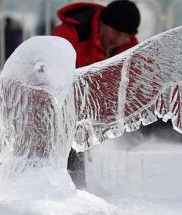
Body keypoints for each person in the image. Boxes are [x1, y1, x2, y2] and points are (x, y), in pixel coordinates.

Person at [52, 0, 141, 188]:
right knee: (71, 130)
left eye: (125, 36)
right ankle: (74, 185)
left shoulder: (130, 47)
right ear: (102, 23)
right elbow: (53, 82)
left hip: (101, 111)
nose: (119, 39)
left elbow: (135, 86)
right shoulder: (69, 35)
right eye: (116, 33)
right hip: (64, 108)